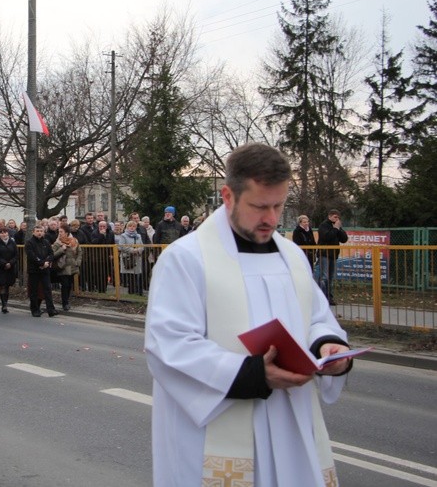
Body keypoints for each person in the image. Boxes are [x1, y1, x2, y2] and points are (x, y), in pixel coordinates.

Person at [145, 143, 352, 487]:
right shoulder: (186, 258)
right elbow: (168, 345)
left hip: (292, 422)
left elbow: (317, 317)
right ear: (228, 196)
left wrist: (330, 348)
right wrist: (255, 373)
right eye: (259, 206)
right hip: (218, 429)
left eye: (279, 205)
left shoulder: (292, 255)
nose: (271, 218)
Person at [316, 209, 348, 306]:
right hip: (324, 254)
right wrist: (335, 229)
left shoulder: (337, 226)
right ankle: (321, 297)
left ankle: (329, 297)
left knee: (330, 277)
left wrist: (339, 229)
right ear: (329, 216)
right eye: (335, 217)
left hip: (333, 255)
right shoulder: (323, 225)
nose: (337, 219)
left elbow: (344, 239)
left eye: (338, 217)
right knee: (324, 277)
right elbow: (326, 237)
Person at [25, 225, 58, 317]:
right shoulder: (29, 243)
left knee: (47, 289)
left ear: (43, 232)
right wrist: (41, 263)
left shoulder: (46, 242)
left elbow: (51, 253)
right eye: (37, 231)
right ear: (34, 232)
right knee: (34, 290)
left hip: (45, 270)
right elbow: (32, 256)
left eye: (41, 231)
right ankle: (35, 309)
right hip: (34, 270)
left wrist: (47, 262)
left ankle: (51, 309)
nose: (39, 233)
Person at [51, 225, 82, 312]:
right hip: (63, 267)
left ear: (67, 233)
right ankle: (65, 303)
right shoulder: (58, 243)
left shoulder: (74, 241)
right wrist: (61, 249)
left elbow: (80, 252)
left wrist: (78, 262)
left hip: (72, 266)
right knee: (65, 285)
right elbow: (52, 255)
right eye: (59, 232)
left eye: (61, 232)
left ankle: (67, 301)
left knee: (69, 285)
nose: (59, 234)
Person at [0, 227, 18, 314]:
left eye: (5, 232)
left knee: (7, 285)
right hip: (1, 268)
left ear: (8, 233)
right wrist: (4, 263)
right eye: (1, 233)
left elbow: (16, 255)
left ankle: (6, 301)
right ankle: (4, 304)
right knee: (2, 285)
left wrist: (10, 263)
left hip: (11, 267)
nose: (3, 234)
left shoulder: (12, 243)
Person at [116, 220, 144, 296]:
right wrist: (133, 250)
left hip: (137, 258)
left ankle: (136, 292)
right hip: (128, 258)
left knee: (136, 275)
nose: (132, 228)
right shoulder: (123, 236)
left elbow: (142, 246)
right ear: (127, 227)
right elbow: (122, 246)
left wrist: (139, 250)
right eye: (130, 226)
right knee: (130, 276)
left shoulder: (138, 236)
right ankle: (131, 292)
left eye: (134, 226)